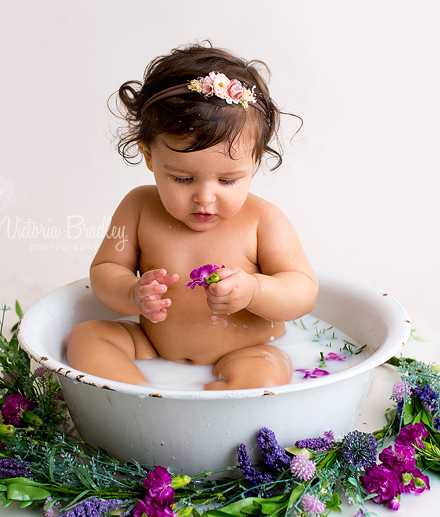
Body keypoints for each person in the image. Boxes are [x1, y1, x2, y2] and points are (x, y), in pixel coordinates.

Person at [66, 43, 318, 390]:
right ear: (149, 156)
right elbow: (105, 271)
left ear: (255, 161)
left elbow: (303, 291)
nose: (204, 196)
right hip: (153, 346)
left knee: (265, 373)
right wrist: (132, 293)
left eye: (228, 180)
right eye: (182, 178)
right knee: (87, 336)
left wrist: (253, 290)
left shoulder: (263, 220)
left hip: (248, 349)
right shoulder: (138, 207)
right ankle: (140, 398)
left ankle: (215, 411)